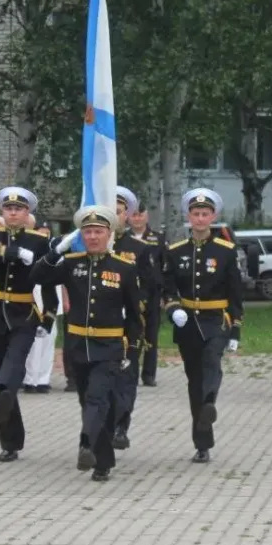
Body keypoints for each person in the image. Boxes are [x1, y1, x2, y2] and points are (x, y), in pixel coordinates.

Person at [31, 205, 143, 482]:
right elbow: (35, 277)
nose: (93, 237)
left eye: (98, 231)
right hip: (78, 345)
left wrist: (132, 348)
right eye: (88, 231)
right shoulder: (72, 263)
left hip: (109, 347)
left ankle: (89, 447)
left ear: (109, 234)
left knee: (96, 398)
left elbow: (134, 315)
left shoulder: (124, 268)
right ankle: (103, 461)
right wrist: (55, 252)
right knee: (88, 402)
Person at [0, 188, 57, 462]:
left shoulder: (39, 240)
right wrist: (11, 251)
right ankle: (10, 442)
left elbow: (49, 281)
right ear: (3, 212)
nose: (13, 213)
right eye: (9, 209)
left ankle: (8, 389)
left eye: (19, 209)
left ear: (27, 213)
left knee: (13, 365)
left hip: (23, 313)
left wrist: (50, 315)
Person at [162, 188, 243, 463]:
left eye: (205, 214)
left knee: (212, 361)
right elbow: (168, 288)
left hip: (216, 320)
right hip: (187, 323)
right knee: (194, 380)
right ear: (189, 216)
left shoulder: (226, 251)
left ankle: (210, 401)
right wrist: (173, 310)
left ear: (213, 216)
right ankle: (202, 442)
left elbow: (236, 293)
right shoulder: (175, 252)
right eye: (195, 214)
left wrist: (236, 328)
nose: (200, 219)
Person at [110, 187, 156, 450]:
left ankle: (120, 428)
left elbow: (150, 286)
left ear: (127, 215)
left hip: (127, 324)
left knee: (126, 379)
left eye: (118, 211)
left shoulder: (138, 248)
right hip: (98, 323)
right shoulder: (89, 243)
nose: (114, 216)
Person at [127, 204, 165, 387]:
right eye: (133, 215)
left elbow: (164, 267)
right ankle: (129, 370)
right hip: (129, 293)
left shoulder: (157, 238)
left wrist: (165, 295)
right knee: (131, 333)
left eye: (140, 215)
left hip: (152, 293)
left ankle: (149, 374)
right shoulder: (122, 239)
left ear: (146, 216)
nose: (137, 218)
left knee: (151, 334)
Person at [23, 221, 59, 394]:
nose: (45, 237)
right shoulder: (30, 252)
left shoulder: (55, 252)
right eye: (41, 233)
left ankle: (43, 379)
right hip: (34, 293)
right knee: (33, 342)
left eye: (47, 233)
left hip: (51, 297)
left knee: (49, 339)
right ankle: (30, 379)